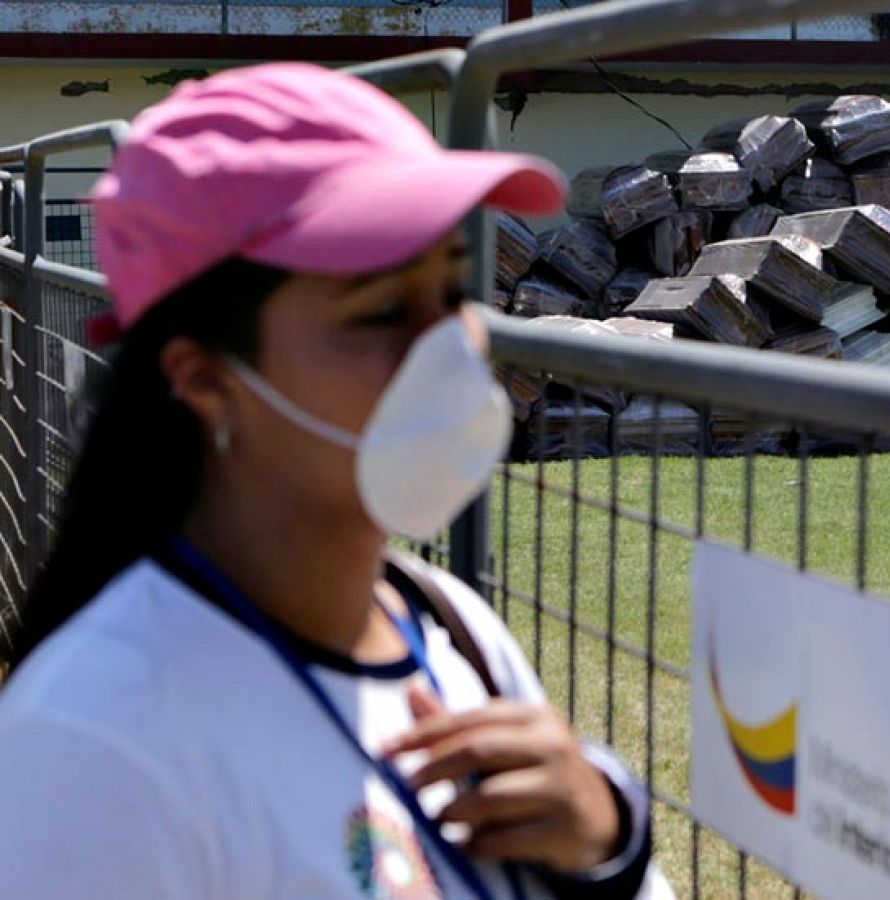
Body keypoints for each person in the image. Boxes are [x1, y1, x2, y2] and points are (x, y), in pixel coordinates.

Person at [0, 62, 672, 899]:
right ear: (206, 380)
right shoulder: (93, 746)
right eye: (381, 312)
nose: (451, 346)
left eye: (453, 289)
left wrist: (607, 840)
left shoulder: (451, 626)